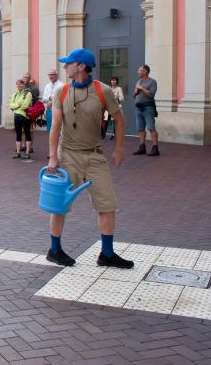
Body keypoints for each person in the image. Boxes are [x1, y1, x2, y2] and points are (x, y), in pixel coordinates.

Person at [46, 48, 133, 269]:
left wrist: (120, 149)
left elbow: (119, 120)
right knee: (59, 205)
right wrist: (52, 156)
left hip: (95, 156)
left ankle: (107, 254)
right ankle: (54, 250)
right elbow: (55, 125)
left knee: (107, 205)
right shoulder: (61, 92)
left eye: (69, 63)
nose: (65, 67)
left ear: (82, 66)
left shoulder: (103, 91)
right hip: (68, 156)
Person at [132, 64, 159, 156]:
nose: (137, 72)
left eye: (139, 70)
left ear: (145, 71)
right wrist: (135, 93)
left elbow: (151, 95)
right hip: (138, 108)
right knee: (140, 129)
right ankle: (142, 147)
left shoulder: (152, 82)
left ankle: (155, 149)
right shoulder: (138, 81)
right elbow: (134, 95)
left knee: (151, 128)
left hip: (148, 108)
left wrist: (142, 88)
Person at [9, 79, 32, 159]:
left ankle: (27, 153)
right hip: (17, 116)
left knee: (27, 134)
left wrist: (16, 106)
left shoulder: (28, 94)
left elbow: (25, 105)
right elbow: (11, 105)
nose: (19, 86)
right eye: (18, 84)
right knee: (18, 134)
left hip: (25, 116)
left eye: (21, 84)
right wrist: (18, 104)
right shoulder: (14, 94)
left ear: (23, 85)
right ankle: (18, 153)